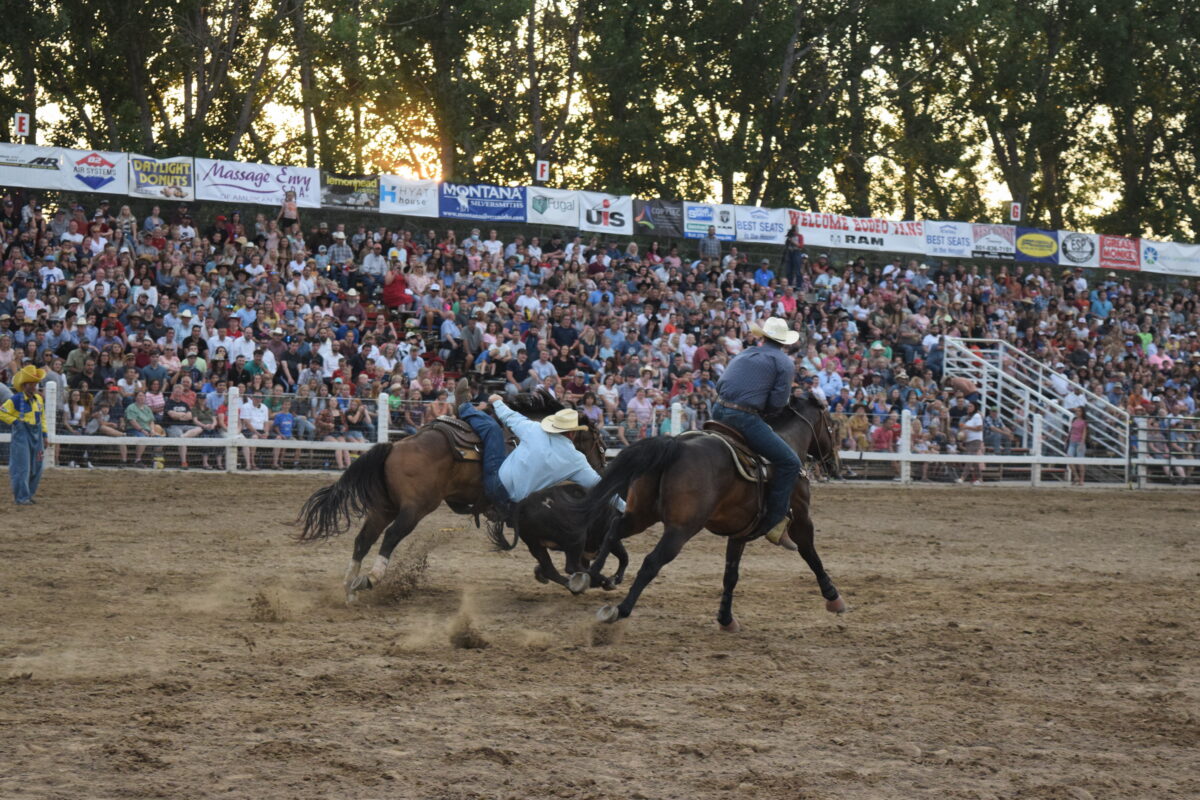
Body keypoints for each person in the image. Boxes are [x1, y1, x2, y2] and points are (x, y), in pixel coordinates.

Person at [710, 316, 801, 548]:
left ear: (763, 336)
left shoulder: (745, 353)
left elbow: (720, 385)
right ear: (785, 342)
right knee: (790, 462)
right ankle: (774, 522)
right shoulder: (784, 363)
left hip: (717, 411)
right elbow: (778, 403)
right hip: (743, 417)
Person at [457, 394, 611, 521]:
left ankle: (464, 407)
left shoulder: (534, 429)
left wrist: (497, 401)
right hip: (516, 507)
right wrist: (625, 507)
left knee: (492, 430)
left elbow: (509, 416)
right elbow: (601, 486)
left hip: (496, 486)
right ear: (573, 433)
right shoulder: (577, 461)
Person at [0, 365, 49, 505]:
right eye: (31, 383)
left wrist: (45, 435)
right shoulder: (15, 399)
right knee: (22, 467)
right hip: (22, 436)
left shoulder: (38, 400)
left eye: (35, 383)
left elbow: (43, 417)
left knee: (37, 467)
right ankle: (22, 497)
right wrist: (15, 421)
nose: (33, 386)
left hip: (37, 434)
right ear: (24, 384)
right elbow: (1, 412)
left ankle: (27, 495)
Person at [1067, 407, 1088, 486]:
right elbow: (1071, 431)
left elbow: (1084, 433)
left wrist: (1082, 443)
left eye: (1079, 411)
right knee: (1069, 458)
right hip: (1072, 441)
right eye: (1077, 411)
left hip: (1079, 442)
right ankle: (1076, 476)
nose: (1077, 412)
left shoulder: (1084, 422)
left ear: (1082, 412)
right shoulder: (1074, 420)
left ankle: (1081, 479)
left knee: (1080, 462)